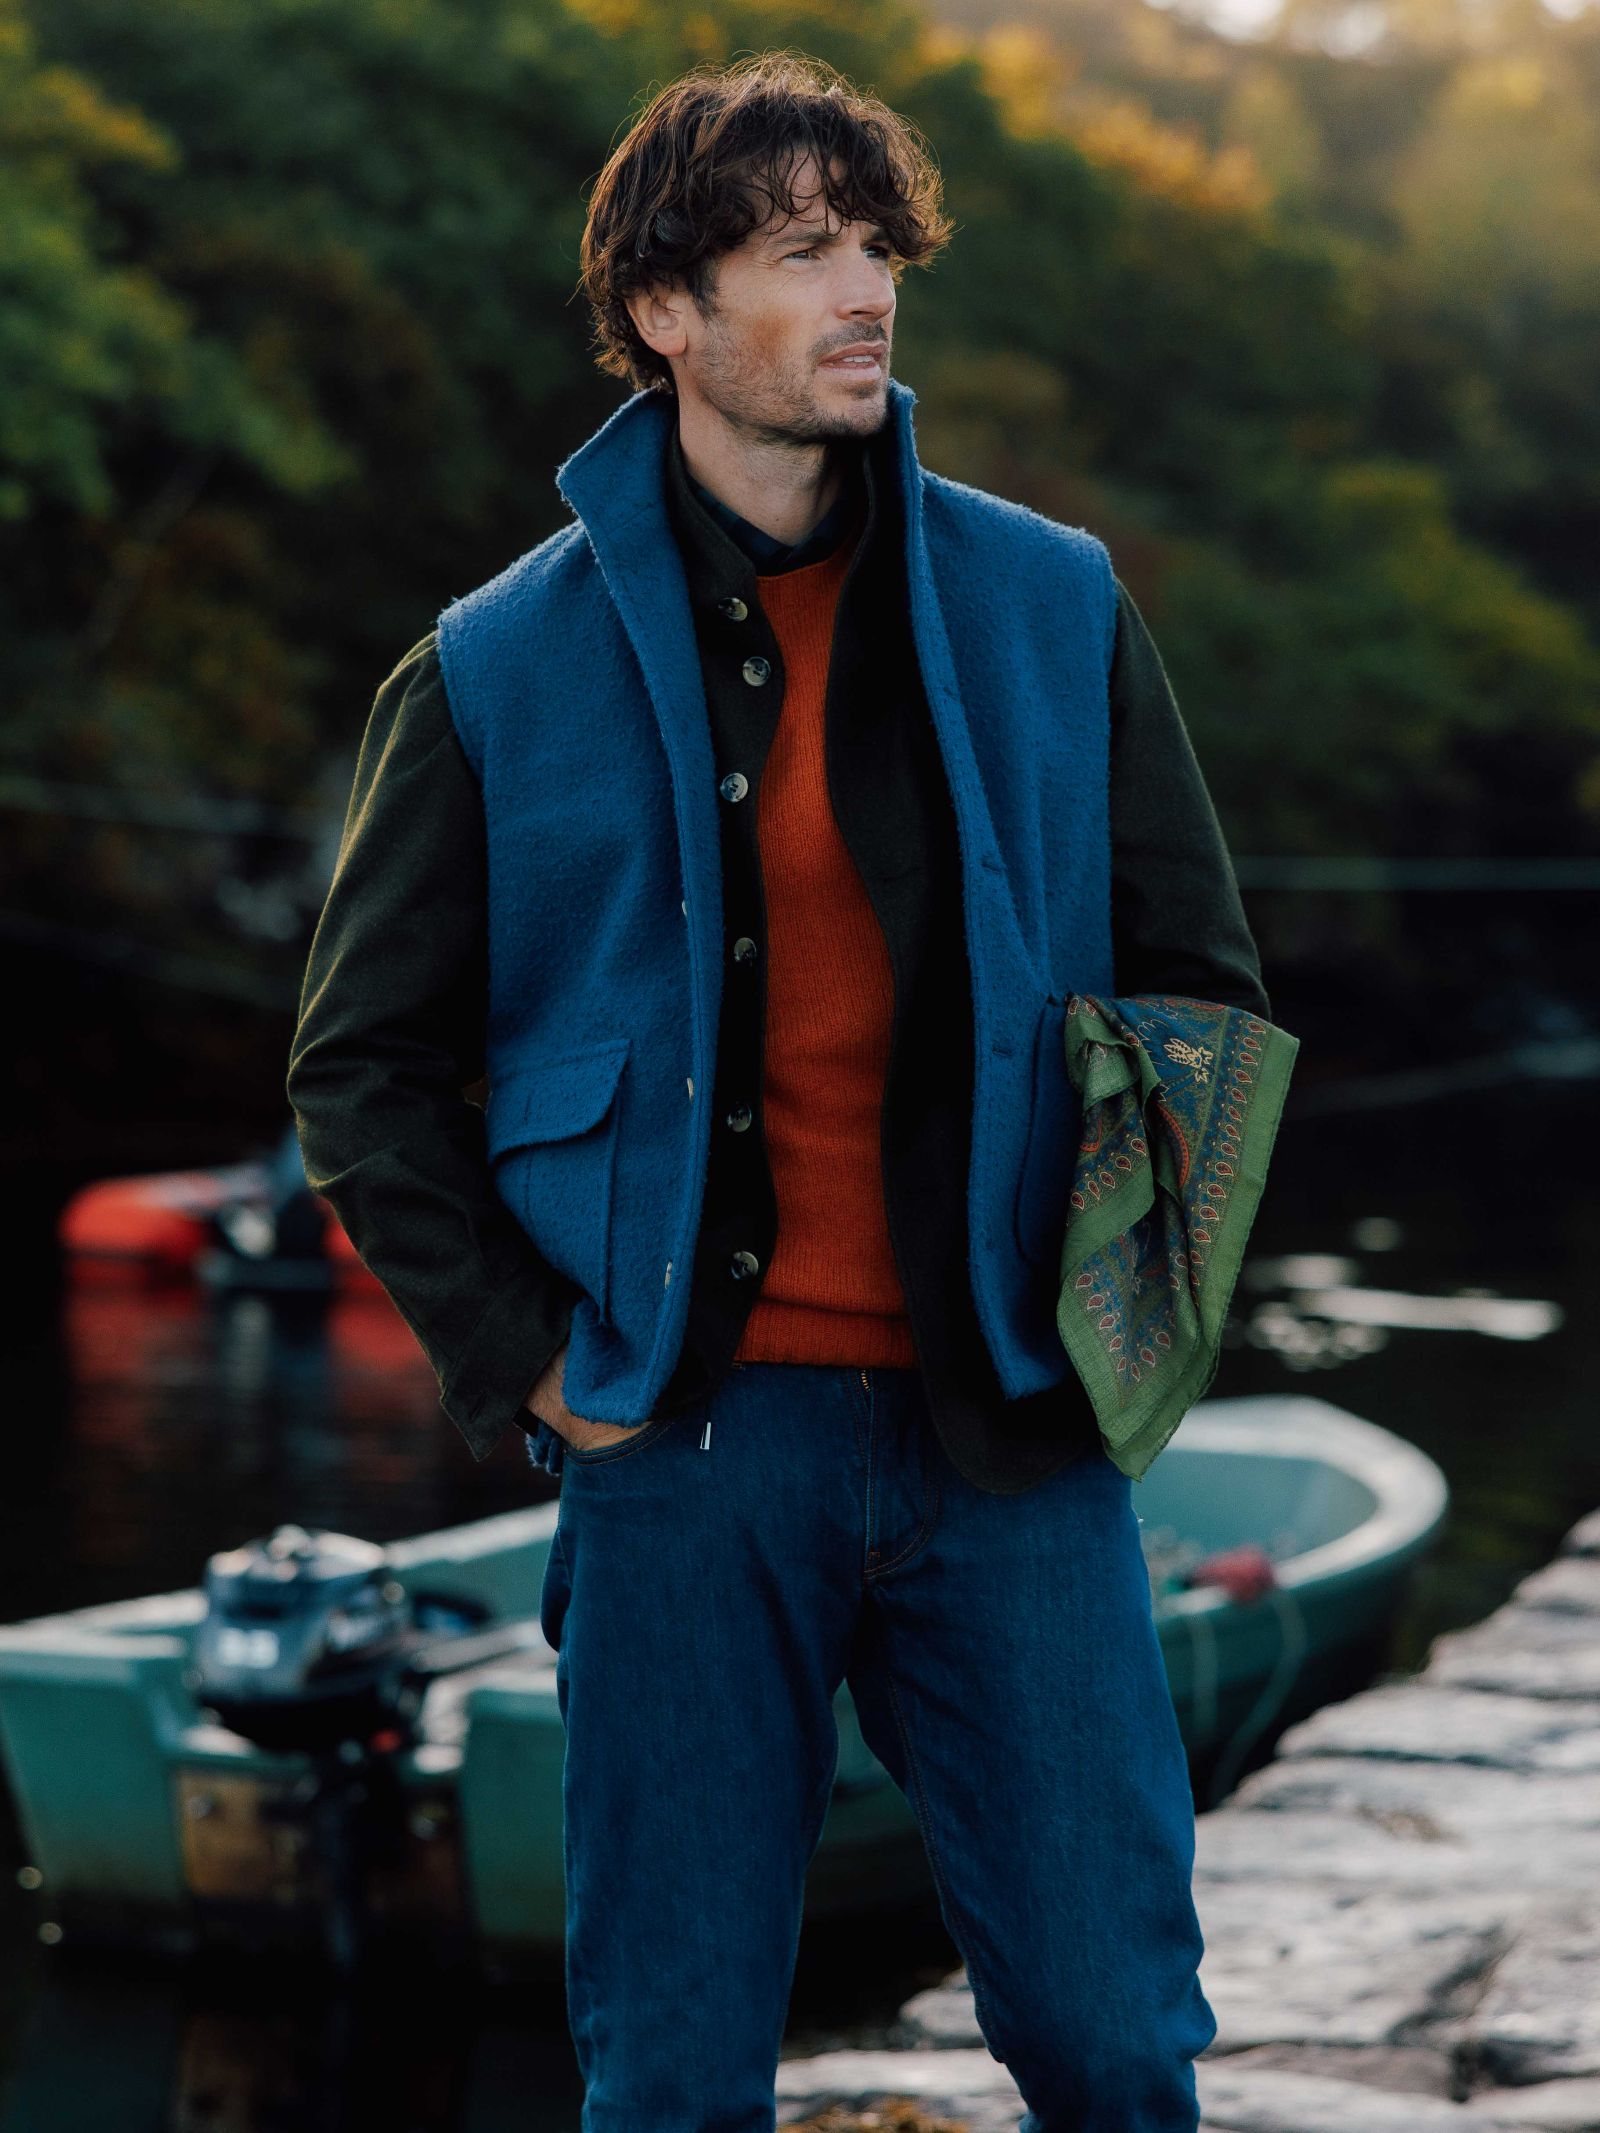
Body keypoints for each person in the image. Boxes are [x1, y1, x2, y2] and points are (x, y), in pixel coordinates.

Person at [287, 50, 1271, 2132]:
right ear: (663, 312)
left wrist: (1125, 1313)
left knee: (1113, 2039)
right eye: (798, 250)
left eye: (873, 247)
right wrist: (536, 1366)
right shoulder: (490, 663)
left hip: (1008, 1440)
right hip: (679, 1444)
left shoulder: (1048, 604)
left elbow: (1193, 993)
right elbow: (359, 1065)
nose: (863, 293)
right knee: (669, 2074)